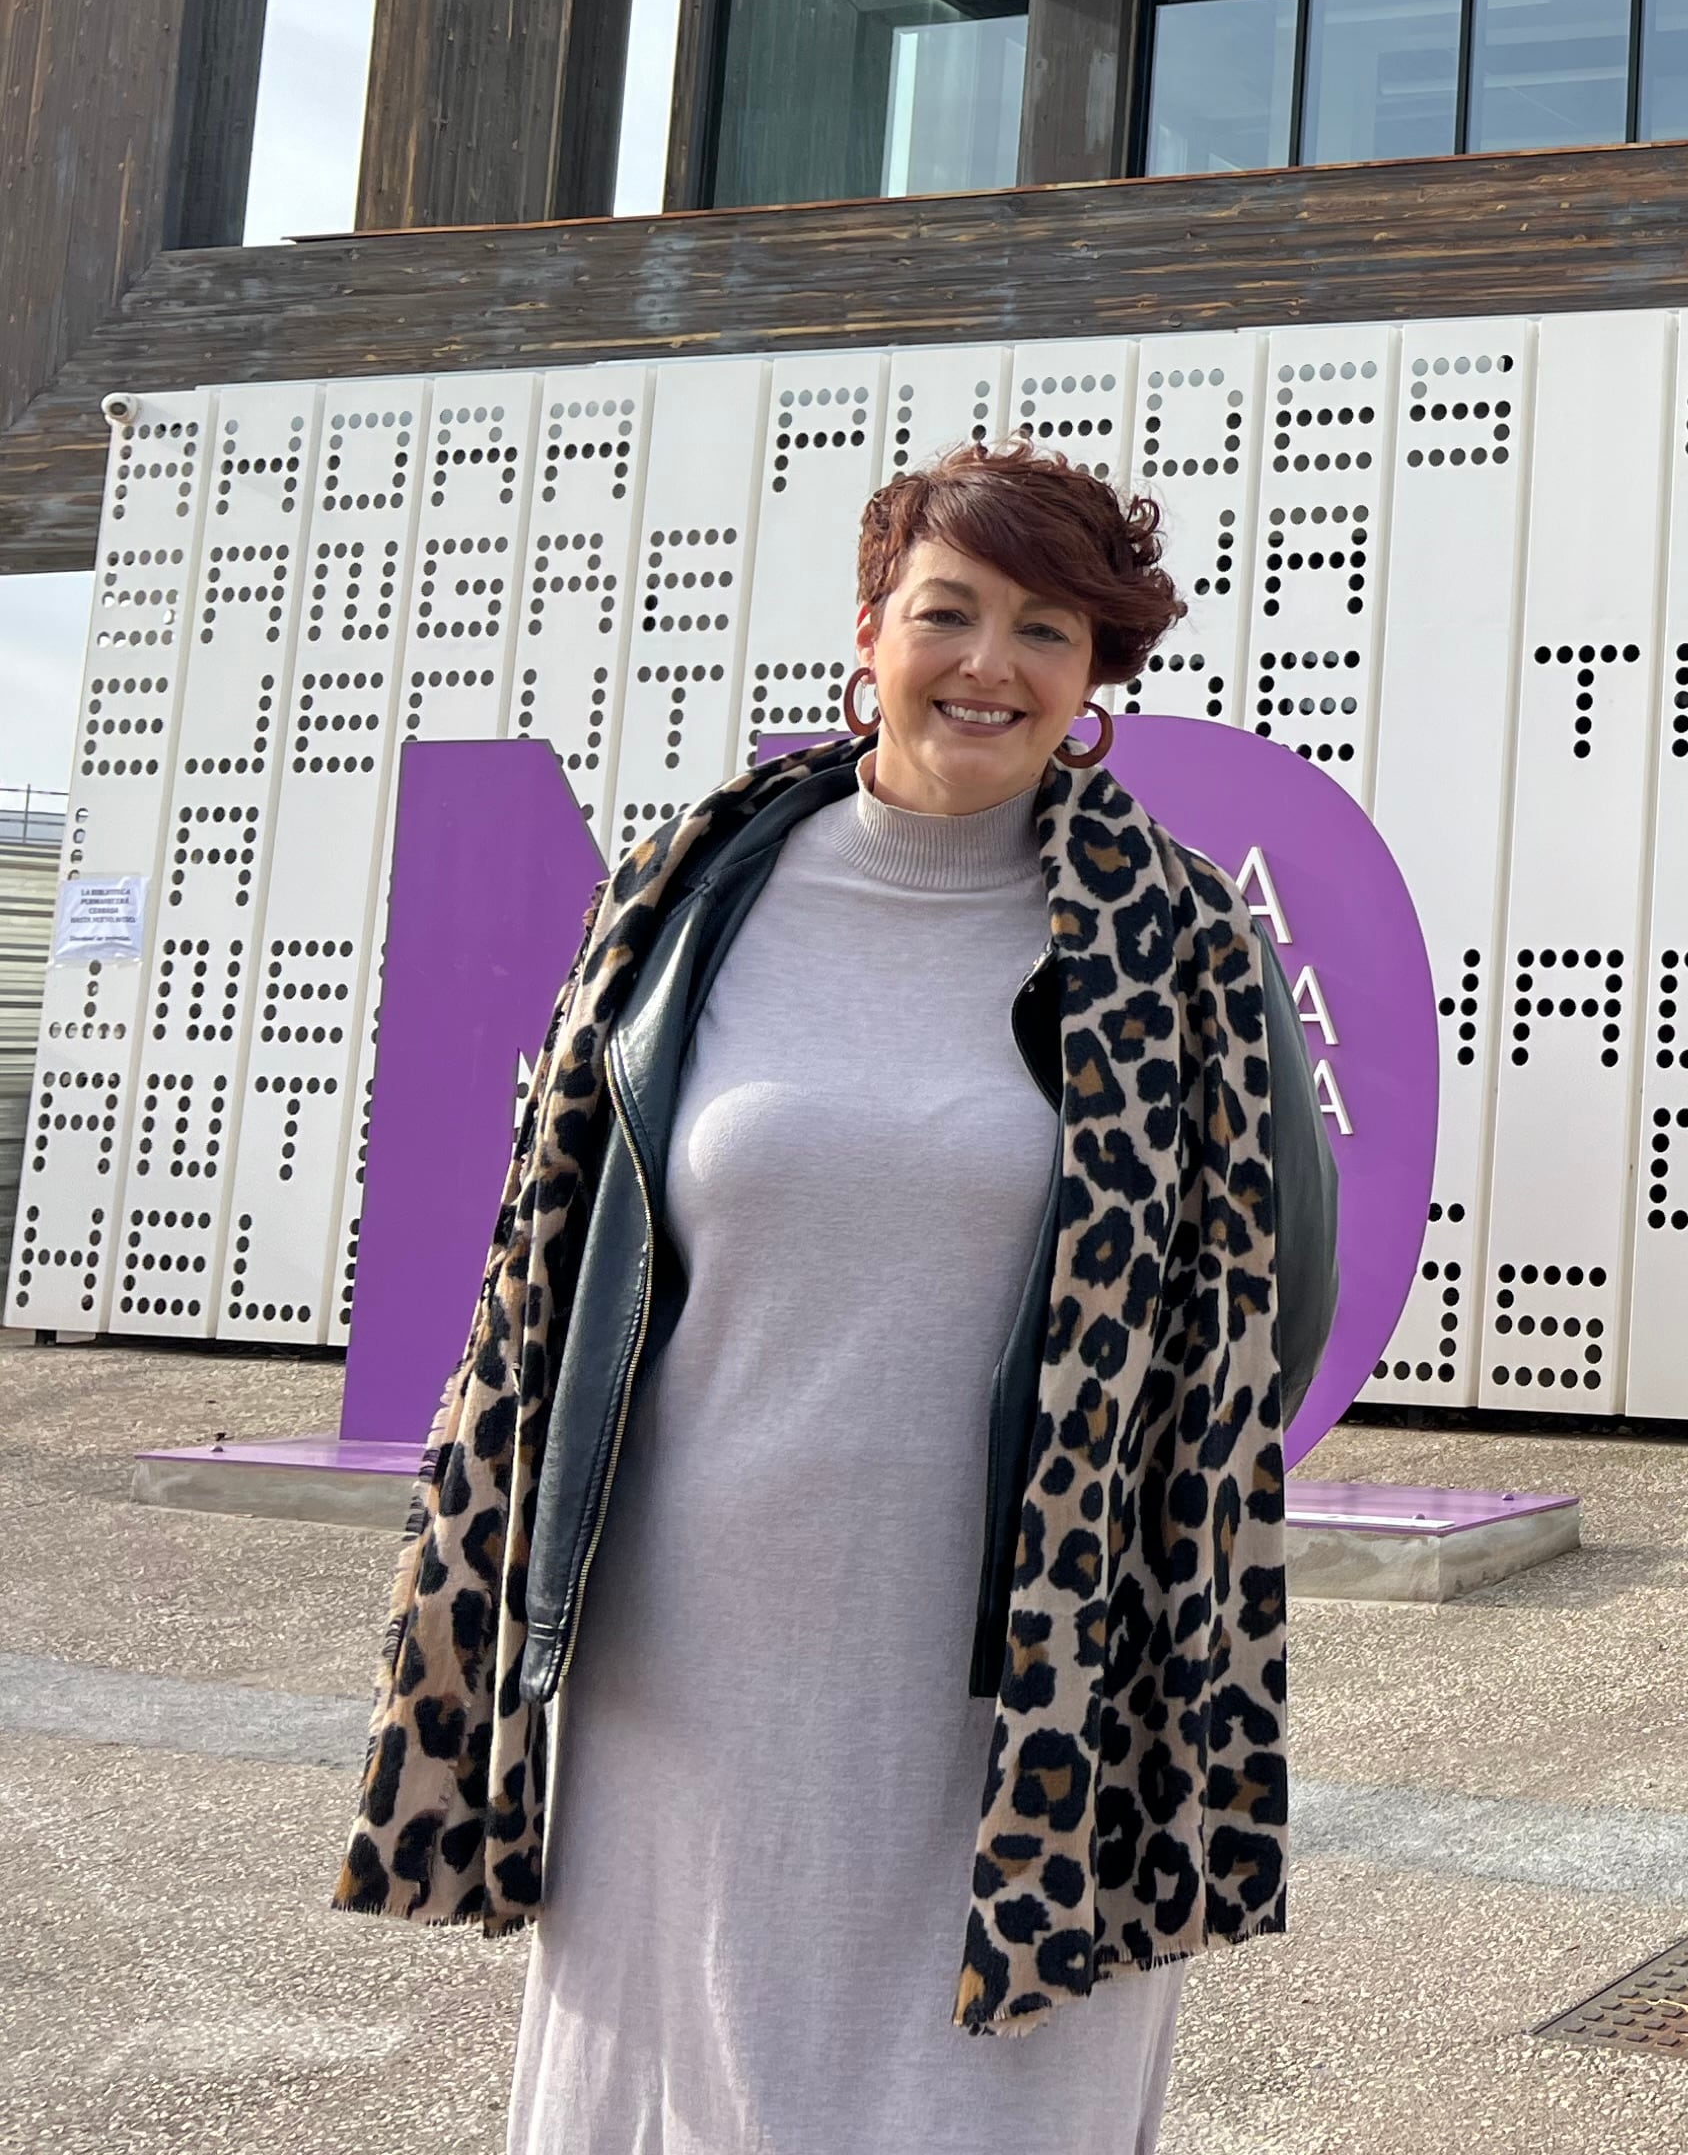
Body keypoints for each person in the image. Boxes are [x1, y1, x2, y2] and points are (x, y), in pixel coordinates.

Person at [334, 441, 1339, 2153]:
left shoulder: (1181, 951)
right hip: (689, 1659)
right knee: (680, 2084)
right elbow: (559, 1270)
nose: (989, 664)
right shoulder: (683, 906)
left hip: (1031, 1672)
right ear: (870, 630)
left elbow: (1270, 1309)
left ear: (1096, 680)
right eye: (948, 611)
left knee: (983, 2102)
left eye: (1048, 629)